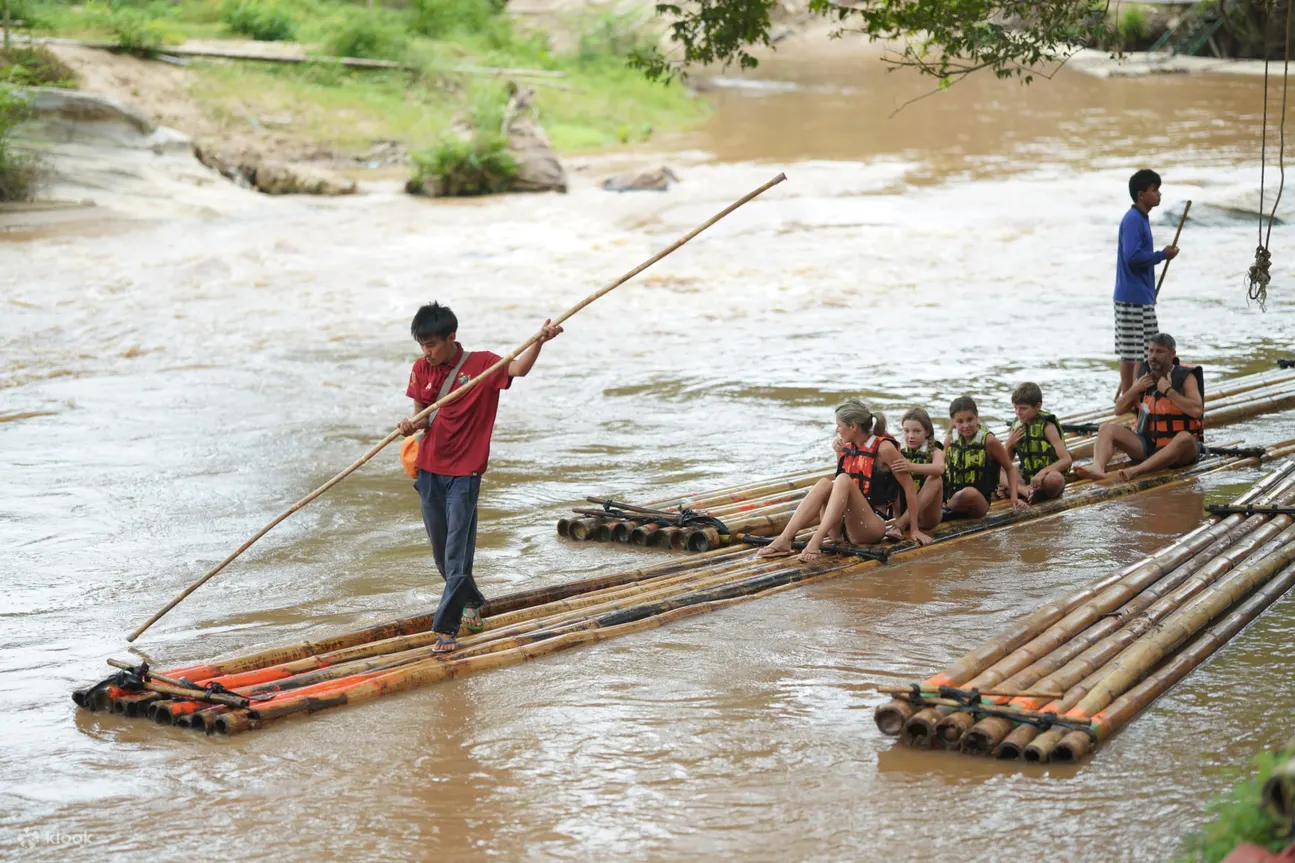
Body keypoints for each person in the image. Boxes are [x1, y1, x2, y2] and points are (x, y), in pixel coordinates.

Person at [397, 302, 563, 654]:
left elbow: (518, 369)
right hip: (429, 471)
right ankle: (472, 600)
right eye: (422, 345)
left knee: (457, 552)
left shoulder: (483, 364)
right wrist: (409, 426)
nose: (426, 353)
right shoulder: (421, 369)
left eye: (432, 345)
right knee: (442, 555)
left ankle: (446, 628)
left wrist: (540, 342)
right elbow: (422, 418)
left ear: (451, 338)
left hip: (465, 474)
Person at [756, 400, 931, 562]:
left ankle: (816, 540)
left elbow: (908, 487)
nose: (836, 430)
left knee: (843, 480)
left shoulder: (884, 448)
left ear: (853, 426)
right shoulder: (846, 447)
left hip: (868, 528)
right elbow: (844, 482)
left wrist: (914, 529)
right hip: (839, 529)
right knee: (825, 483)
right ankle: (785, 539)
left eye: (839, 425)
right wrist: (838, 453)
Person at [1073, 333, 1204, 482]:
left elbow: (1196, 410)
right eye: (1151, 351)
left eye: (1160, 352)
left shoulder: (1185, 377)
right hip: (1149, 446)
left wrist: (1169, 391)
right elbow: (1118, 410)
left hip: (1180, 453)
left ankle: (1136, 470)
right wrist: (1135, 389)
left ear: (1172, 354)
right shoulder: (1144, 374)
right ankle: (1097, 467)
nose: (1153, 356)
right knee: (1106, 428)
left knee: (1185, 438)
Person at [1114, 169, 1180, 401]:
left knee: (1131, 350)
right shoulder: (1133, 220)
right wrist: (1162, 255)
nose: (1159, 194)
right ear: (1142, 195)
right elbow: (1133, 257)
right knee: (1145, 351)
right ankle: (1133, 397)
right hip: (1134, 296)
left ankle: (1129, 397)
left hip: (1135, 294)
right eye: (1155, 190)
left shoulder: (1139, 219)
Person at [944, 395, 1024, 519]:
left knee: (968, 493)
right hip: (953, 499)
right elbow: (942, 471)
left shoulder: (989, 441)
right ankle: (943, 509)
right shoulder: (950, 440)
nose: (966, 425)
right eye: (960, 421)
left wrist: (1014, 498)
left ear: (977, 417)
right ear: (953, 422)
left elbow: (1009, 468)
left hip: (978, 502)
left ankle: (944, 511)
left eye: (970, 420)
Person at [1004, 382, 1072, 503]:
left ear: (1037, 406)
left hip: (1046, 478)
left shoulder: (1047, 427)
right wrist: (1008, 444)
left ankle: (1020, 491)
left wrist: (1043, 473)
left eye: (1023, 408)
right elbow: (1004, 463)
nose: (1018, 413)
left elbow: (1066, 460)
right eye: (1015, 408)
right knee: (992, 469)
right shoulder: (1017, 427)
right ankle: (1024, 490)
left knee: (1055, 480)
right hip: (1026, 480)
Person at [883, 407, 945, 540]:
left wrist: (910, 466)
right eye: (906, 431)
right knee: (891, 472)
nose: (910, 436)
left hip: (927, 518)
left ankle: (899, 525)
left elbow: (940, 468)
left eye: (916, 431)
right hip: (905, 512)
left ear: (927, 431)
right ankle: (900, 522)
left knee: (935, 479)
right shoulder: (900, 452)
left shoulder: (935, 450)